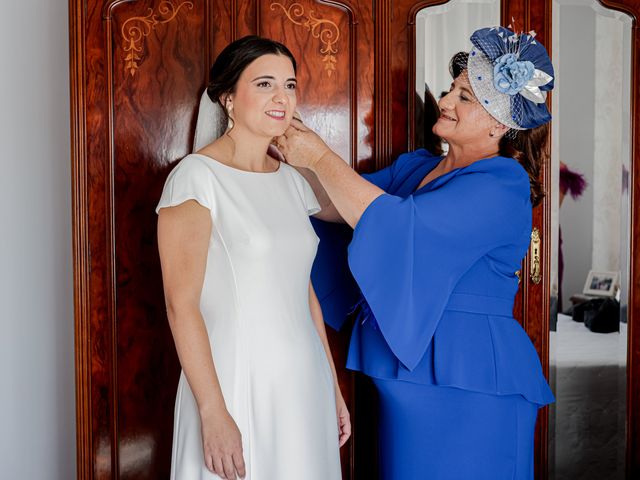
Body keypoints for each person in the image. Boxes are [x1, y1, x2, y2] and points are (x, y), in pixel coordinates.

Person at [277, 26, 556, 479]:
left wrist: (320, 155)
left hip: (472, 380)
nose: (445, 100)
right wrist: (284, 156)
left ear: (498, 123)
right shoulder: (416, 166)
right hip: (407, 371)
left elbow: (392, 225)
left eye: (464, 96)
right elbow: (338, 209)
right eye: (452, 89)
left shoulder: (504, 183)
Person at [156, 36, 349, 480]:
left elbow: (305, 296)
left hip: (302, 383)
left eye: (290, 84)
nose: (282, 98)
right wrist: (213, 412)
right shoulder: (195, 179)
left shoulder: (293, 181)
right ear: (228, 97)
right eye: (264, 84)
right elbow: (180, 305)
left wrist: (331, 386)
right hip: (235, 380)